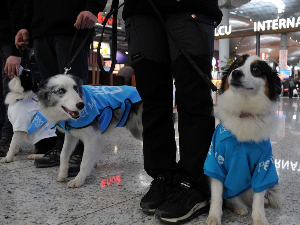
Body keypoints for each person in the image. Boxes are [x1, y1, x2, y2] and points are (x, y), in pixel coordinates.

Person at [123, 0, 222, 223]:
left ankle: (194, 183)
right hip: (141, 10)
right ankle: (162, 176)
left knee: (193, 98)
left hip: (190, 7)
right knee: (153, 100)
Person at [15, 0, 107, 175]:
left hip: (73, 24)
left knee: (75, 92)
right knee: (54, 97)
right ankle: (62, 145)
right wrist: (25, 26)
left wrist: (92, 7)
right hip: (41, 29)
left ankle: (82, 150)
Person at [0, 0, 24, 156]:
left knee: (9, 92)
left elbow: (17, 10)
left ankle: (8, 137)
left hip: (9, 40)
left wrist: (17, 51)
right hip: (5, 40)